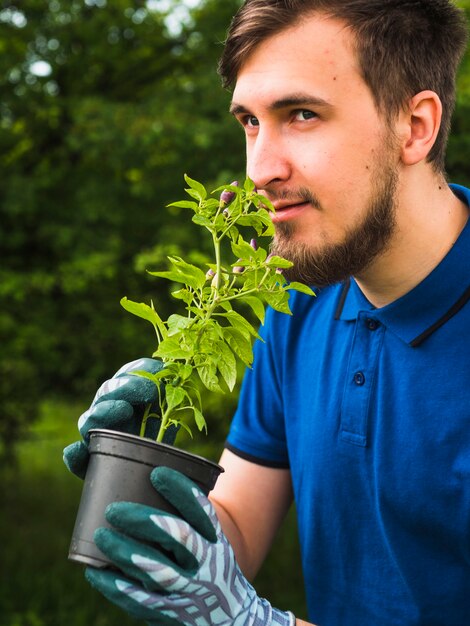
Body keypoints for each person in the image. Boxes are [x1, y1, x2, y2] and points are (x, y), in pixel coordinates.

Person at [64, 1, 470, 624]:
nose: (259, 170)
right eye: (250, 122)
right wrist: (140, 494)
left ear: (414, 127)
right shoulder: (300, 299)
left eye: (301, 115)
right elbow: (236, 529)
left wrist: (251, 621)